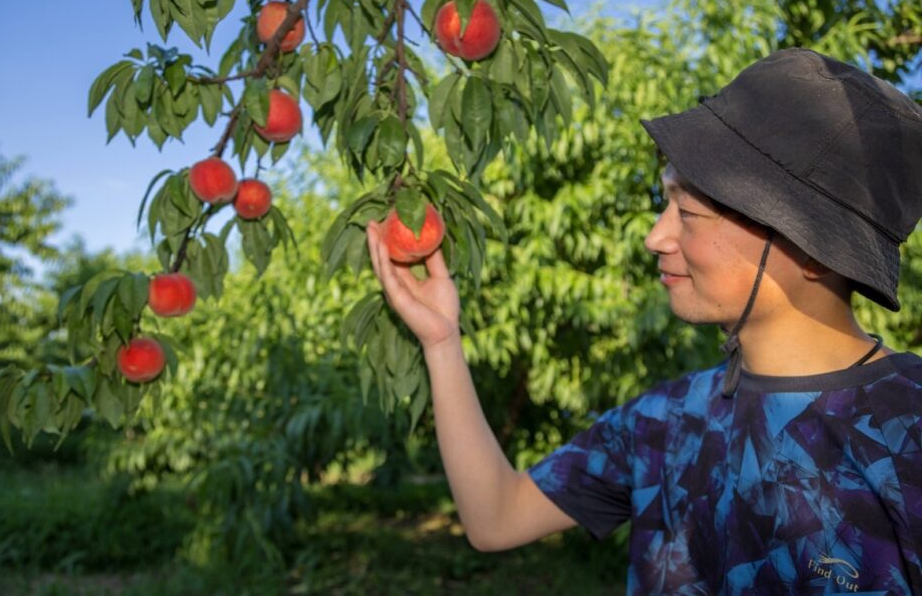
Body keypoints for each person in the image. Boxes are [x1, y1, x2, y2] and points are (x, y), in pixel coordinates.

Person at [365, 48, 922, 594]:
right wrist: (442, 339)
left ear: (815, 249)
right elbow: (497, 517)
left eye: (688, 213)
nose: (656, 236)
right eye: (665, 203)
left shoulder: (908, 430)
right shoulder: (666, 420)